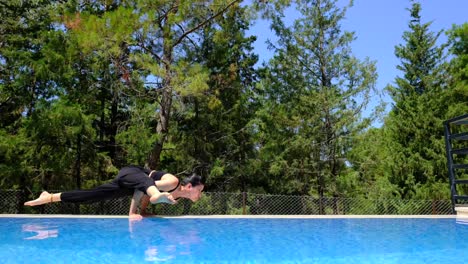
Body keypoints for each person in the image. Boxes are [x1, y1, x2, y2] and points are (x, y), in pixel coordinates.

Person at [24, 165, 205, 220]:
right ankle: (156, 196)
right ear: (190, 187)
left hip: (127, 184)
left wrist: (144, 210)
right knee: (148, 186)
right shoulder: (173, 182)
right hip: (132, 173)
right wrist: (132, 213)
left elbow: (143, 193)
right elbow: (142, 186)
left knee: (92, 195)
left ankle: (50, 197)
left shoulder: (175, 198)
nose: (201, 194)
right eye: (200, 190)